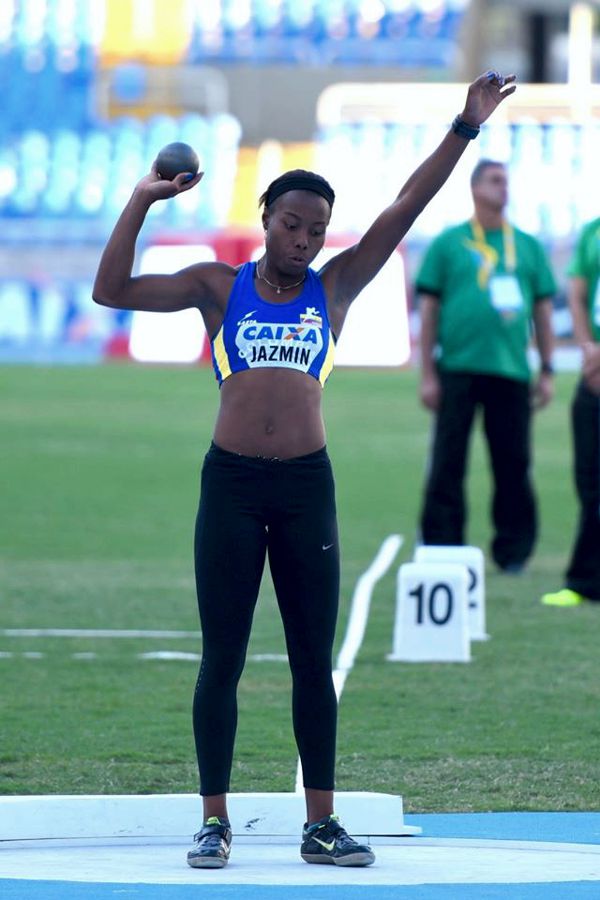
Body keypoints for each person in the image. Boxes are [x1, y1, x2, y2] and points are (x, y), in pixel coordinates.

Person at [92, 70, 515, 870]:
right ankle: (213, 820)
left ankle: (320, 822)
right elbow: (109, 289)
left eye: (316, 229)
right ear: (266, 221)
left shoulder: (337, 286)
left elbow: (406, 208)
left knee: (310, 659)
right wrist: (145, 199)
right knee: (222, 656)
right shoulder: (218, 290)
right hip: (232, 486)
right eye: (292, 224)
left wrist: (465, 127)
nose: (304, 239)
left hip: (305, 489)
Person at [416, 158, 556, 573]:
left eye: (507, 181)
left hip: (511, 370)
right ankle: (443, 546)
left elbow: (544, 312)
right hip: (457, 367)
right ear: (475, 188)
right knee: (448, 463)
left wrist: (546, 369)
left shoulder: (527, 246)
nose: (504, 188)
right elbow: (428, 311)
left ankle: (514, 552)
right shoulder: (448, 243)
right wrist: (427, 373)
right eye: (496, 181)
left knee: (513, 464)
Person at [541, 218, 600, 607]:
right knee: (590, 480)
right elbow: (577, 293)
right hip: (596, 370)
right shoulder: (593, 231)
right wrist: (588, 349)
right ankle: (586, 580)